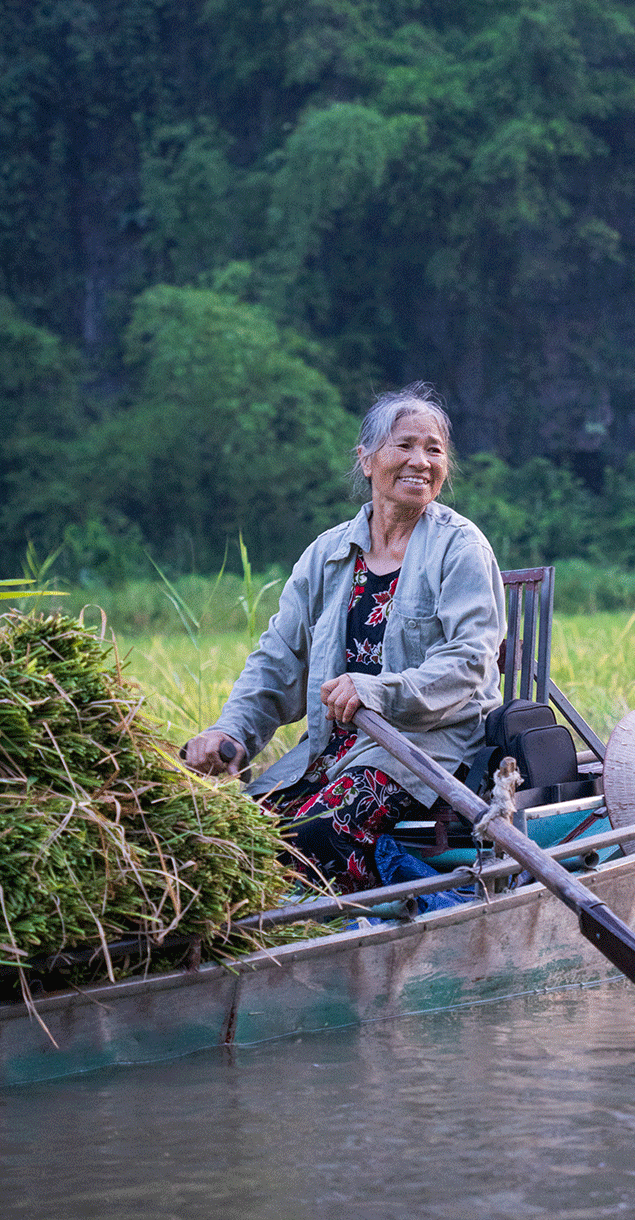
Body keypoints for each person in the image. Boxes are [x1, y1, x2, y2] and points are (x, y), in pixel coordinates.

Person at [182, 382, 505, 892]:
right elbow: (278, 660)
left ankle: (360, 926)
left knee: (309, 837)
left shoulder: (460, 547)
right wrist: (232, 733)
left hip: (426, 747)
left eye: (434, 449)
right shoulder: (327, 554)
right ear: (367, 459)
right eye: (404, 445)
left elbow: (469, 661)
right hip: (334, 748)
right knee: (234, 832)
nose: (420, 461)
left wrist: (374, 691)